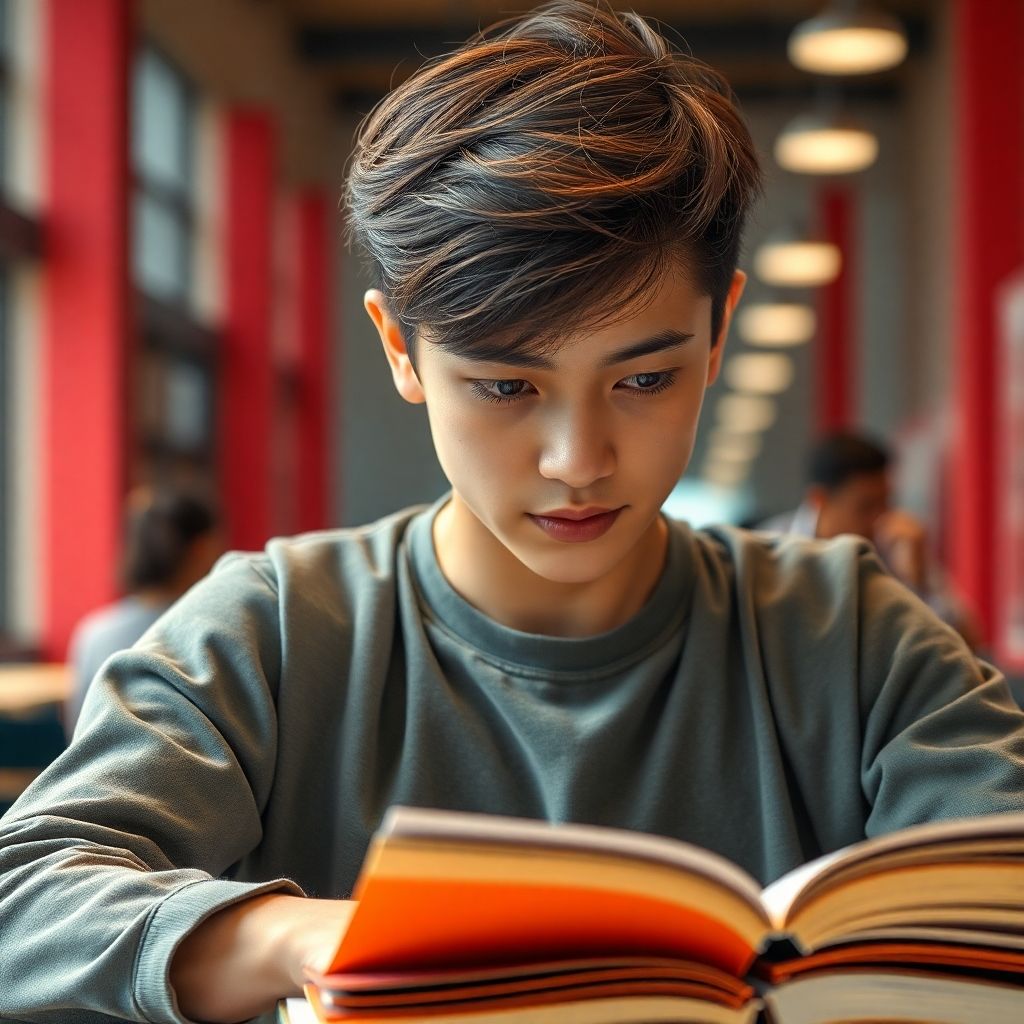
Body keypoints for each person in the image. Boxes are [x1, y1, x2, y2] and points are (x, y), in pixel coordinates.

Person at [0, 5, 1022, 1023]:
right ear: (400, 347)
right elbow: (27, 895)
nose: (577, 460)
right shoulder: (270, 632)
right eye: (504, 386)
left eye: (646, 378)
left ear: (717, 337)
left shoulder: (850, 637)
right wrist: (299, 937)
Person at [760, 432, 982, 648]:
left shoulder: (895, 549)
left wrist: (919, 582)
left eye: (886, 503)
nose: (879, 518)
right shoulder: (770, 552)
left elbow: (970, 643)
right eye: (866, 507)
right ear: (820, 499)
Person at [64, 486, 224, 736]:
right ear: (201, 549)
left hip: (103, 772)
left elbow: (77, 731)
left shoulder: (95, 632)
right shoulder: (214, 630)